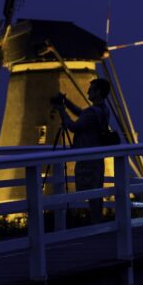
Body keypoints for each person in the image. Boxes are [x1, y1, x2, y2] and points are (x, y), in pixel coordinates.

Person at [53, 78, 112, 224]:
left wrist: (62, 111)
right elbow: (81, 113)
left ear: (98, 92)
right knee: (96, 192)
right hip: (97, 158)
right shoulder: (103, 110)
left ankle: (95, 225)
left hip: (87, 159)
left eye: (91, 90)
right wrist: (66, 102)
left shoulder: (91, 113)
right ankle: (97, 223)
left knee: (91, 193)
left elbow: (73, 126)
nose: (87, 92)